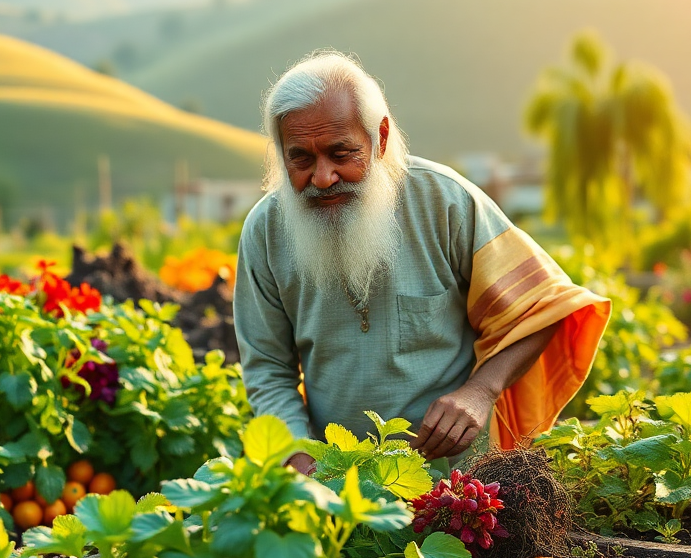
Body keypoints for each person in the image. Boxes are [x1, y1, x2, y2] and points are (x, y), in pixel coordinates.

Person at [233, 51, 610, 474]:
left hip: (459, 485)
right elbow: (267, 370)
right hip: (338, 491)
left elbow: (543, 306)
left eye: (342, 153)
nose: (322, 177)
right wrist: (298, 457)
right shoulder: (265, 231)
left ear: (380, 137)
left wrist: (480, 391)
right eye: (300, 158)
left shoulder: (445, 202)